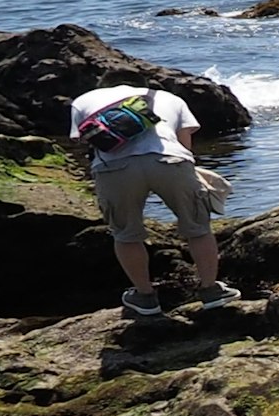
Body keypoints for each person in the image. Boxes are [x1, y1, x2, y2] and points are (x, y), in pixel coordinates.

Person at [68, 84, 240, 321]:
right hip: (170, 160)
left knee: (126, 234)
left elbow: (83, 140)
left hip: (114, 168)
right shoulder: (169, 97)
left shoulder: (84, 98)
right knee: (198, 228)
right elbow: (184, 144)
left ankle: (145, 297)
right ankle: (211, 291)